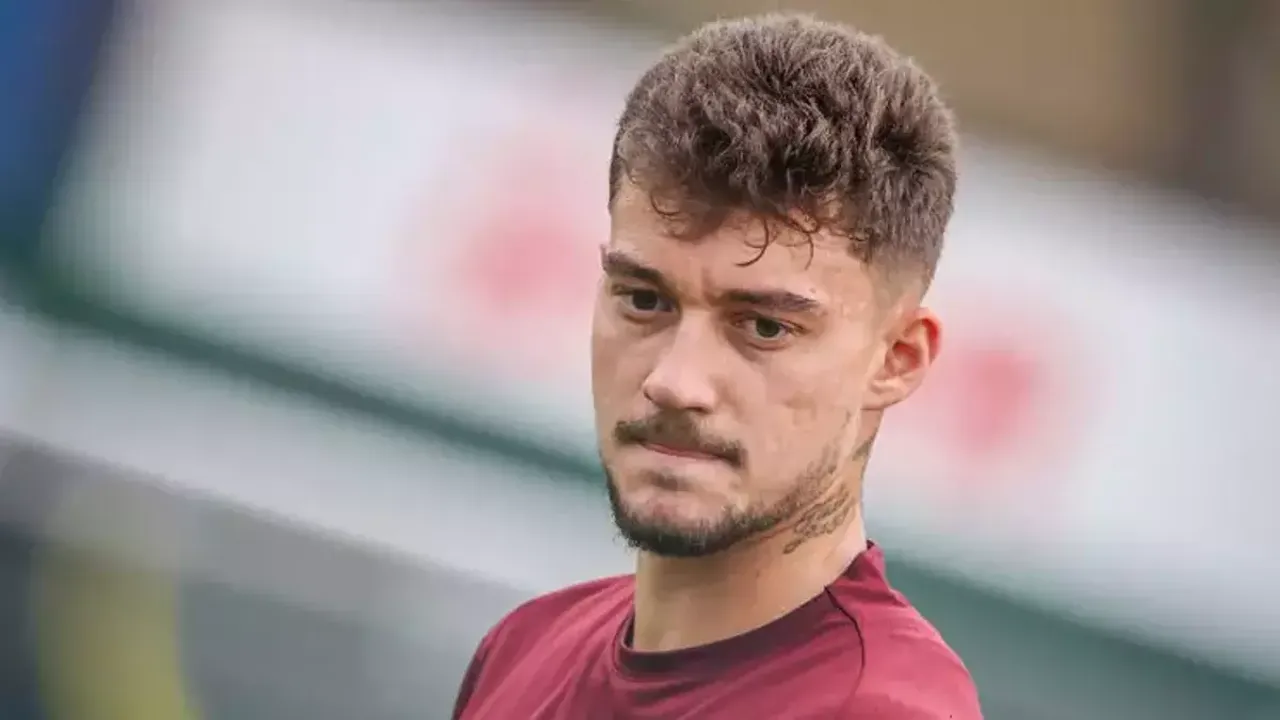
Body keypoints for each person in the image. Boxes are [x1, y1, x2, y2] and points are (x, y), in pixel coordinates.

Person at [453, 12, 982, 720]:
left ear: (896, 359)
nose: (675, 382)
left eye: (764, 327)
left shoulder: (880, 710)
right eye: (645, 300)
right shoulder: (524, 648)